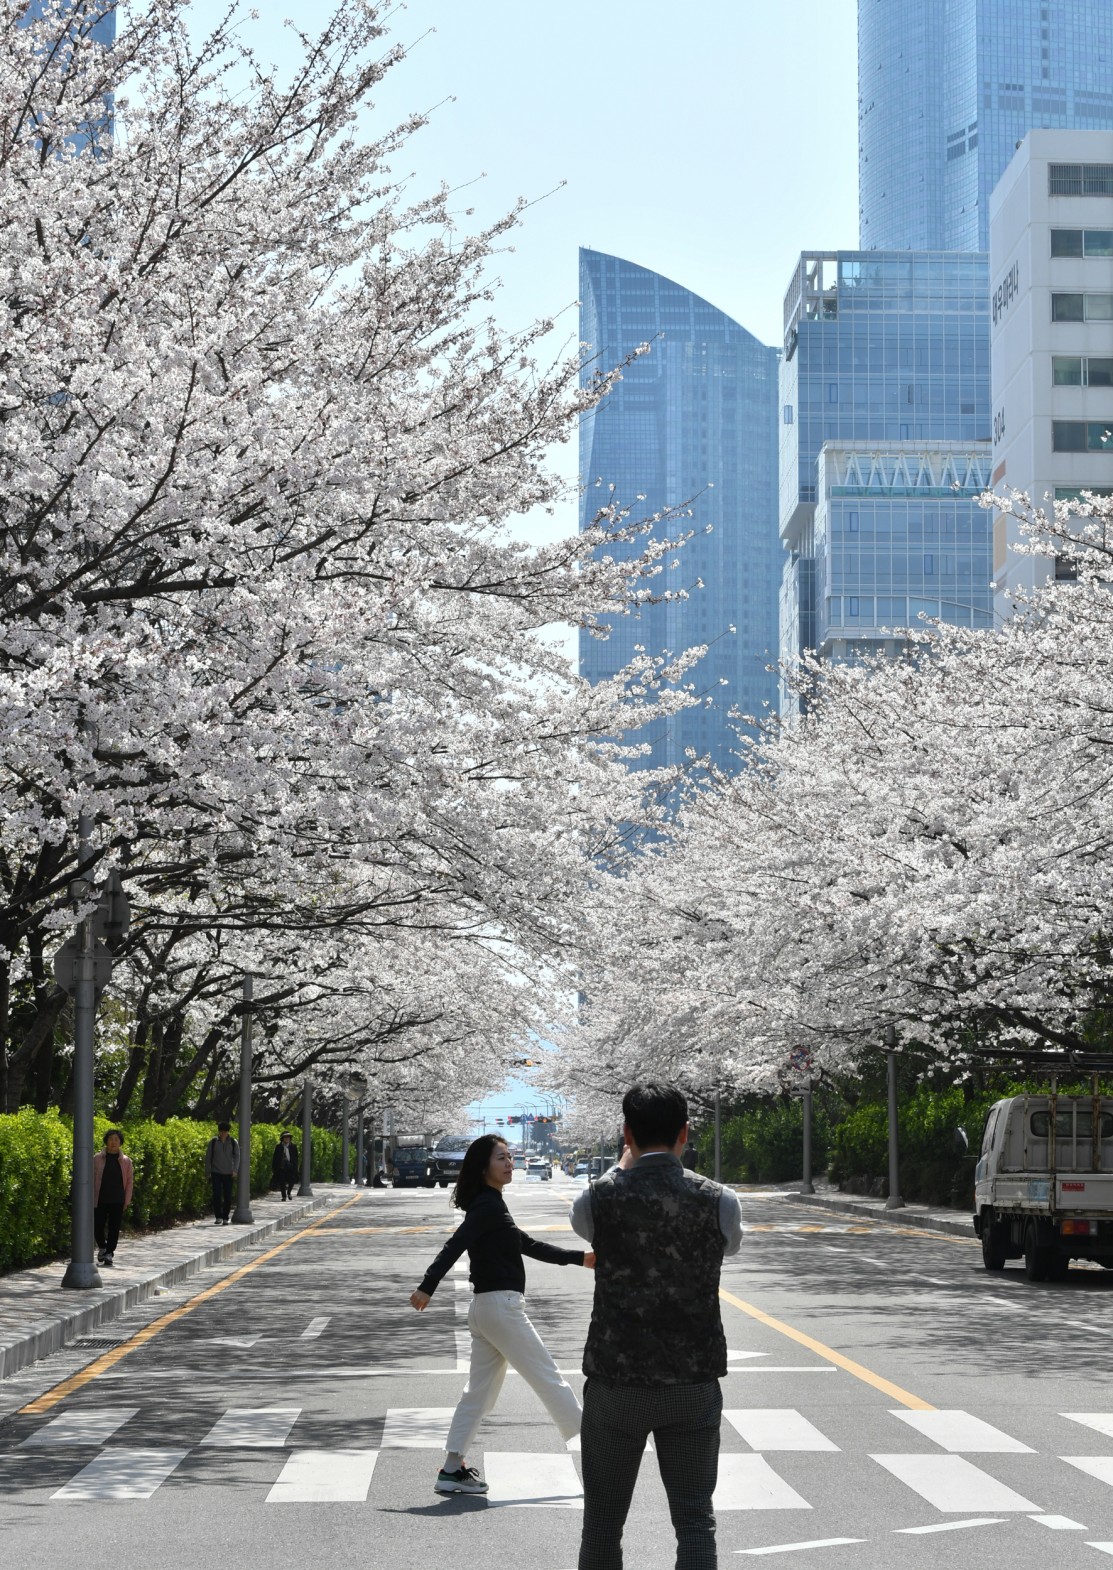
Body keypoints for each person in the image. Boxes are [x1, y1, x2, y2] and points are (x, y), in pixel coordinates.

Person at [570, 1082, 743, 1570]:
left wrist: (622, 1166)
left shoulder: (597, 1199)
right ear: (685, 1133)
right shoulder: (720, 1201)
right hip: (692, 1381)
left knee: (602, 1524)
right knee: (695, 1522)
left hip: (615, 1382)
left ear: (626, 1133)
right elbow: (730, 1247)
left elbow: (585, 1225)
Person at [410, 1133, 595, 1496]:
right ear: (483, 1169)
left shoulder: (492, 1204)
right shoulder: (487, 1207)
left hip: (486, 1310)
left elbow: (527, 1244)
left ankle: (451, 1470)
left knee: (477, 1394)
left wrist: (581, 1258)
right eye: (501, 1158)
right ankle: (600, 1458)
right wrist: (427, 1285)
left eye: (510, 1156)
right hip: (501, 1309)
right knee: (549, 1379)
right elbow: (456, 1243)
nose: (509, 1162)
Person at [93, 1128, 134, 1267]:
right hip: (100, 1198)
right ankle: (102, 1247)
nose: (113, 1142)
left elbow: (129, 1182)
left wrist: (126, 1200)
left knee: (114, 1227)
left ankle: (109, 1253)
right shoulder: (97, 1158)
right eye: (111, 1139)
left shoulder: (126, 1161)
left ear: (120, 1142)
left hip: (117, 1199)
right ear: (106, 1141)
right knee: (97, 1225)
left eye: (116, 1139)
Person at [204, 1121, 239, 1225]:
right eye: (221, 1131)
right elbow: (208, 1157)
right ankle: (218, 1216)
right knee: (217, 1195)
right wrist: (208, 1171)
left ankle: (225, 1217)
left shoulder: (233, 1142)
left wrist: (235, 1170)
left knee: (228, 1196)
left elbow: (237, 1156)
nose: (223, 1133)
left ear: (228, 1132)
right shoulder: (214, 1142)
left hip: (229, 1173)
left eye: (225, 1131)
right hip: (216, 1172)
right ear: (219, 1132)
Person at [271, 1130, 298, 1200]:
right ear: (282, 1138)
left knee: (292, 1180)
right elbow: (275, 1157)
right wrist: (274, 1168)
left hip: (291, 1166)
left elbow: (296, 1157)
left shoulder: (293, 1146)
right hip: (281, 1167)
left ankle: (289, 1192)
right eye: (285, 1137)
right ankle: (284, 1196)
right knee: (282, 1182)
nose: (287, 1139)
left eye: (288, 1137)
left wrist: (295, 1166)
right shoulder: (278, 1147)